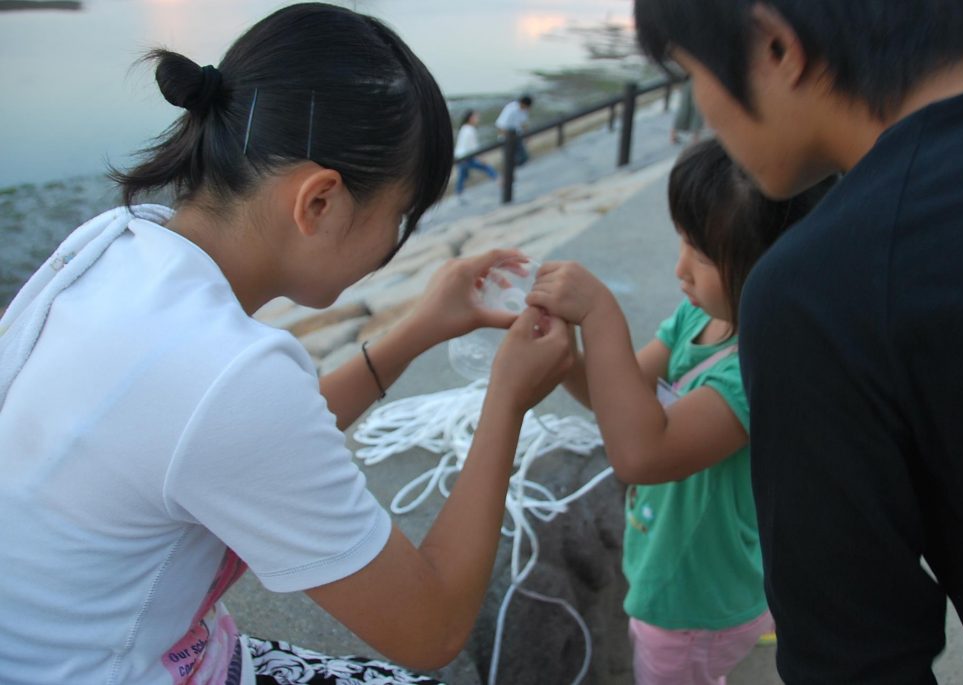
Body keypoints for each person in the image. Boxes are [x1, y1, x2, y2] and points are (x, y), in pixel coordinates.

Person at [0, 4, 575, 685]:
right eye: (398, 218)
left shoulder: (114, 245)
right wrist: (507, 399)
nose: (395, 247)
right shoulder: (229, 374)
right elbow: (433, 625)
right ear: (320, 202)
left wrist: (422, 325)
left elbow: (238, 436)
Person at [634, 0, 963, 681]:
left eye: (688, 76)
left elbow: (853, 661)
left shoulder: (822, 289)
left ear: (775, 45)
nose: (702, 108)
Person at [526, 139, 831, 685]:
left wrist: (601, 316)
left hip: (692, 602)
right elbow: (618, 401)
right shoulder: (699, 319)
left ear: (779, 267)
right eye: (683, 242)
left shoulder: (753, 373)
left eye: (703, 255)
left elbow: (643, 454)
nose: (680, 270)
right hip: (704, 563)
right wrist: (566, 356)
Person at [453, 109, 497, 198]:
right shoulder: (470, 130)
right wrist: (481, 158)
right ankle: (499, 181)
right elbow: (474, 148)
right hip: (466, 157)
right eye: (476, 117)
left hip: (460, 157)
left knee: (463, 176)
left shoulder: (464, 128)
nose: (478, 119)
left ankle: (459, 194)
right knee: (486, 167)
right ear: (470, 118)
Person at [494, 94, 532, 166]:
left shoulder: (524, 110)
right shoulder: (511, 109)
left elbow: (524, 123)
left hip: (517, 134)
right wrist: (505, 138)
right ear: (523, 104)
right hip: (507, 135)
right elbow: (500, 125)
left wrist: (527, 135)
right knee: (509, 158)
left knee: (523, 157)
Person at [670, 77, 705, 144]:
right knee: (697, 108)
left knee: (687, 107)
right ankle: (695, 139)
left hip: (688, 79)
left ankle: (674, 135)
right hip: (695, 78)